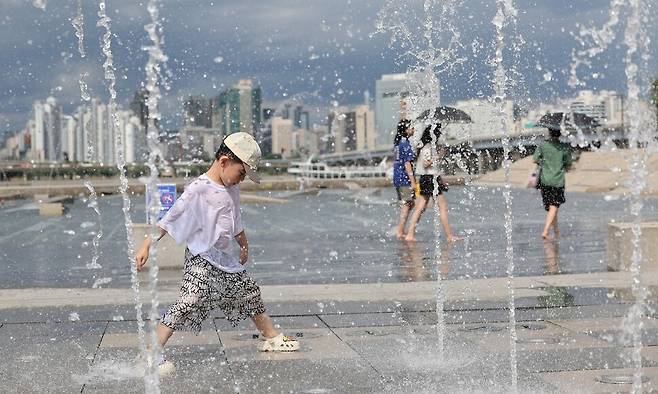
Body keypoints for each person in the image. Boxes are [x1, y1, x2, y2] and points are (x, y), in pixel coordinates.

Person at [135, 132, 299, 376]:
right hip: (200, 255)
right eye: (241, 173)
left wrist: (244, 245)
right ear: (224, 162)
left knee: (250, 291)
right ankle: (150, 351)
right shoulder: (199, 188)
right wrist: (147, 243)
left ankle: (270, 336)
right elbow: (172, 216)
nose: (241, 180)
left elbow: (235, 221)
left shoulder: (231, 187)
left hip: (223, 259)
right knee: (189, 300)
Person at [405, 124, 461, 243]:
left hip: (427, 178)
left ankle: (410, 234)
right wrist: (437, 156)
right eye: (438, 134)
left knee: (421, 207)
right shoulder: (427, 147)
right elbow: (426, 164)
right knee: (442, 207)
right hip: (430, 179)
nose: (439, 136)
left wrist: (440, 179)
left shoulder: (426, 146)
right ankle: (449, 236)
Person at [533, 126, 572, 240]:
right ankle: (545, 231)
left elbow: (535, 159)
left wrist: (544, 163)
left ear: (549, 133)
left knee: (551, 207)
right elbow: (569, 165)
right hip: (557, 181)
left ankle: (556, 231)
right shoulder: (564, 147)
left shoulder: (543, 145)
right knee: (554, 206)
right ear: (560, 134)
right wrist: (562, 165)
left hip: (544, 180)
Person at [393, 119, 417, 239]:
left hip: (397, 177)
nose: (413, 130)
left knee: (409, 204)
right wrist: (413, 181)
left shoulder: (398, 143)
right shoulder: (405, 144)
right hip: (404, 179)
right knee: (407, 205)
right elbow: (407, 163)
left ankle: (400, 230)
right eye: (411, 127)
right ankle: (400, 231)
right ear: (406, 130)